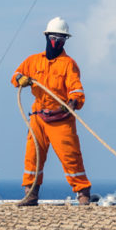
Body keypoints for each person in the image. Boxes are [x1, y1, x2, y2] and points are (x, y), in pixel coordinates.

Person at [12, 17, 92, 206]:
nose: (58, 41)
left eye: (62, 38)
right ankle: (31, 193)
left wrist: (72, 103)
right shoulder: (32, 61)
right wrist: (21, 78)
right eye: (55, 37)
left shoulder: (68, 64)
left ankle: (83, 193)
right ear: (47, 37)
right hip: (38, 116)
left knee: (70, 156)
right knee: (33, 155)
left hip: (61, 118)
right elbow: (15, 76)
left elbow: (76, 89)